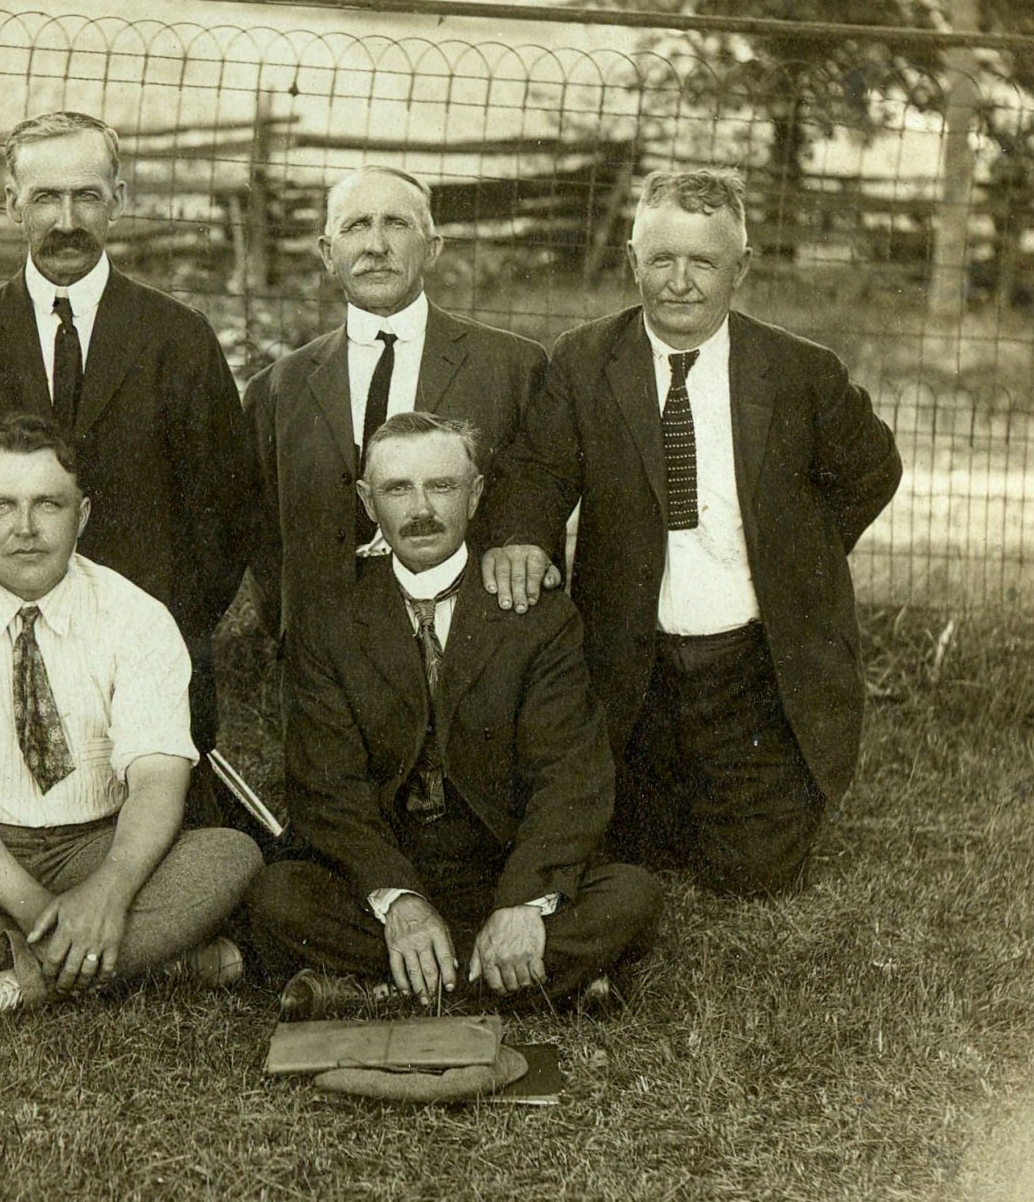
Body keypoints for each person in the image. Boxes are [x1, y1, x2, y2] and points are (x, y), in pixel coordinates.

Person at [480, 168, 903, 895]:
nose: (680, 282)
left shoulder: (801, 372)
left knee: (755, 874)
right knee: (627, 845)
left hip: (753, 666)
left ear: (741, 268)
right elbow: (538, 468)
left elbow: (873, 469)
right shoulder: (586, 361)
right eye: (662, 259)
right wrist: (521, 533)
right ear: (631, 260)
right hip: (633, 665)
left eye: (704, 262)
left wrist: (798, 557)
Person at [0, 414, 263, 1049]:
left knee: (229, 858)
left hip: (95, 843)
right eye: (1, 507)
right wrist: (40, 910)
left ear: (83, 514)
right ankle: (157, 962)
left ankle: (7, 986)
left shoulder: (137, 615)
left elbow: (157, 777)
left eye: (48, 504)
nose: (25, 528)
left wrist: (111, 891)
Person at [246, 413, 660, 1010]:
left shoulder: (536, 615)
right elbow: (326, 788)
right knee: (279, 896)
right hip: (392, 865)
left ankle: (384, 987)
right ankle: (523, 979)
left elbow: (571, 777)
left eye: (442, 486)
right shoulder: (329, 620)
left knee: (632, 894)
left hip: (502, 862)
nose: (421, 509)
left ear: (477, 493)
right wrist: (399, 901)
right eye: (397, 489)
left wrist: (522, 904)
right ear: (367, 501)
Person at [0, 112, 258, 826]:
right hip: (10, 653)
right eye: (46, 197)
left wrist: (162, 625)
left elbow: (226, 515)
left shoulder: (177, 338)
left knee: (161, 842)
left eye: (87, 196)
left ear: (120, 196)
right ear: (9, 200)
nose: (67, 220)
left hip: (152, 648)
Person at [244, 166, 546, 644]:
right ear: (328, 253)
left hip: (474, 644)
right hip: (327, 654)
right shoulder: (280, 387)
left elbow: (534, 508)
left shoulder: (512, 368)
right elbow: (262, 537)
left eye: (397, 224)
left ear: (433, 248)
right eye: (356, 226)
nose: (376, 246)